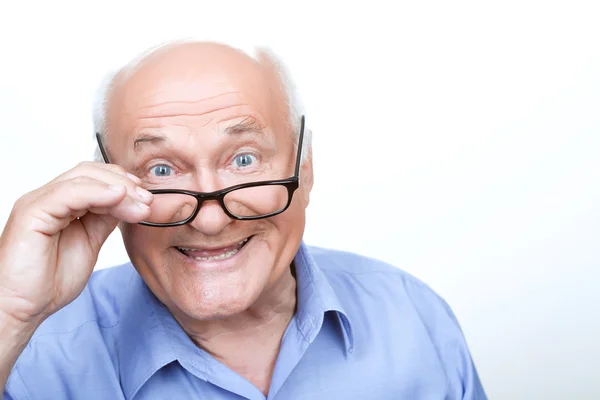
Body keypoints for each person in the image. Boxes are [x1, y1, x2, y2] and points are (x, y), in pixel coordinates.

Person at [0, 40, 487, 399]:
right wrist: (9, 313)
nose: (210, 220)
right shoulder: (30, 353)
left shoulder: (413, 317)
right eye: (162, 169)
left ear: (304, 167)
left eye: (245, 160)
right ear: (107, 184)